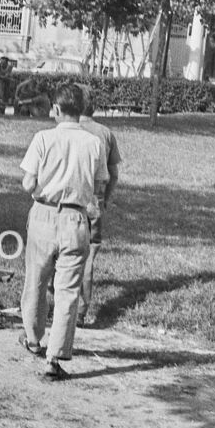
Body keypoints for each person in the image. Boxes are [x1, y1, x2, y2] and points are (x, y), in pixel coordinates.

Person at [18, 82, 107, 380]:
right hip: (76, 219)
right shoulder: (94, 142)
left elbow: (28, 183)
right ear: (81, 111)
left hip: (44, 213)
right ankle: (54, 357)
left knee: (36, 280)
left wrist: (44, 188)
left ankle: (33, 338)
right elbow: (100, 183)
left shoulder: (43, 138)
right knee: (67, 290)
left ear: (55, 109)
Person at [77, 88, 121, 326]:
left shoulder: (65, 129)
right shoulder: (105, 133)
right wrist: (106, 199)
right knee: (88, 256)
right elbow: (113, 174)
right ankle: (81, 313)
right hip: (93, 200)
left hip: (65, 201)